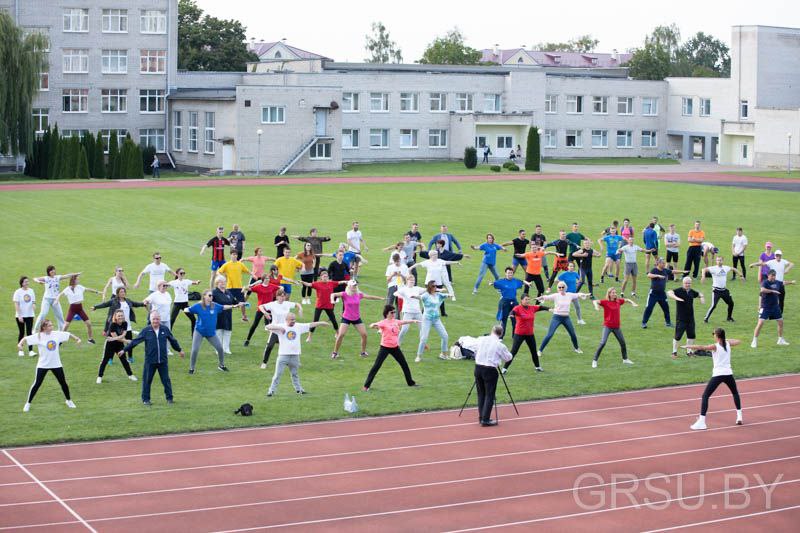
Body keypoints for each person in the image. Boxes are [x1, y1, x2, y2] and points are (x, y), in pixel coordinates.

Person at [120, 311, 184, 405]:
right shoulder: (146, 331)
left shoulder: (165, 329)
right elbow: (135, 342)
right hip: (150, 361)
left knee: (166, 380)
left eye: (157, 319)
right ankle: (146, 400)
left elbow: (173, 340)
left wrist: (179, 350)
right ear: (150, 320)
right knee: (147, 380)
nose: (155, 321)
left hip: (163, 361)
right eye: (153, 319)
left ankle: (169, 399)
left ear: (160, 320)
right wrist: (124, 350)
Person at [18, 319, 80, 412]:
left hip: (56, 364)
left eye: (52, 325)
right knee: (37, 384)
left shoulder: (56, 334)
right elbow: (26, 339)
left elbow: (68, 334)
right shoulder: (39, 336)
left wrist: (77, 339)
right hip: (43, 365)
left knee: (63, 383)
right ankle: (28, 403)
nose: (52, 327)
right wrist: (20, 344)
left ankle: (69, 401)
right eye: (50, 326)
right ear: (44, 327)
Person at [687, 328, 743, 430]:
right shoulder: (728, 343)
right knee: (735, 393)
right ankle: (739, 416)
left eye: (714, 334)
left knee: (705, 396)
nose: (713, 335)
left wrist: (688, 346)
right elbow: (738, 341)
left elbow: (702, 347)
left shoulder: (715, 346)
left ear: (717, 336)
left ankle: (702, 422)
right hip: (729, 374)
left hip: (718, 374)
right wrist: (726, 339)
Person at [265, 313, 329, 396]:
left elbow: (311, 324)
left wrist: (321, 323)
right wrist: (279, 328)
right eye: (292, 319)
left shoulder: (298, 326)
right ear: (287, 320)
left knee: (295, 374)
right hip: (283, 355)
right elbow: (267, 327)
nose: (294, 321)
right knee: (277, 374)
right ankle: (271, 391)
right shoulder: (281, 326)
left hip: (295, 355)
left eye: (294, 319)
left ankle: (299, 390)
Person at [184, 289, 242, 373]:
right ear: (204, 296)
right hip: (199, 331)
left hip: (210, 333)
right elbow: (188, 309)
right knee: (195, 350)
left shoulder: (214, 305)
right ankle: (191, 368)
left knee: (220, 348)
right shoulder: (198, 306)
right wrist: (186, 309)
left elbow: (223, 307)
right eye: (209, 295)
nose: (211, 297)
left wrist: (234, 306)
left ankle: (221, 365)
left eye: (212, 295)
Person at [363, 305, 418, 391]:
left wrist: (413, 321)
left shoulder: (396, 321)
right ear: (387, 313)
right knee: (376, 366)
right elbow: (373, 325)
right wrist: (373, 325)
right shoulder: (383, 322)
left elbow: (404, 321)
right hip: (385, 348)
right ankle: (366, 386)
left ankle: (410, 383)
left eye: (394, 312)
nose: (393, 314)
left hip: (395, 348)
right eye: (392, 312)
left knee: (404, 364)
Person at [92, 287, 146, 363]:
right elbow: (105, 304)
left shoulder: (128, 301)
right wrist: (95, 307)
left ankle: (130, 357)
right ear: (118, 293)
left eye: (124, 292)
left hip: (127, 326)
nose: (123, 293)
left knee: (129, 342)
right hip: (117, 326)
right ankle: (110, 358)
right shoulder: (114, 301)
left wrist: (143, 304)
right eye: (121, 292)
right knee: (114, 343)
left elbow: (136, 304)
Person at [331, 280, 383, 359]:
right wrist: (332, 300)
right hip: (346, 318)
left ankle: (363, 352)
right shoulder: (344, 294)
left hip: (356, 318)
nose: (355, 287)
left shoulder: (359, 295)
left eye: (355, 285)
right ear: (349, 286)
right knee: (341, 335)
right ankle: (335, 353)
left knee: (364, 335)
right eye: (353, 285)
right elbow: (333, 294)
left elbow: (370, 297)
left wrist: (381, 298)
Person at [473, 325, 513, 427]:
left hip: (478, 368)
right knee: (489, 395)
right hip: (490, 370)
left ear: (492, 331)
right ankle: (485, 419)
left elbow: (474, 349)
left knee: (481, 394)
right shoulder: (500, 345)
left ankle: (481, 417)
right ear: (501, 334)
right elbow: (508, 358)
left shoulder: (481, 339)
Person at [537, 281, 591, 356]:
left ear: (565, 288)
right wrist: (540, 297)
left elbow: (578, 295)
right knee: (550, 334)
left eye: (563, 287)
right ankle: (540, 350)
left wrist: (585, 294)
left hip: (566, 318)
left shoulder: (569, 295)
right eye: (559, 287)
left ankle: (576, 348)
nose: (561, 288)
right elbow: (546, 297)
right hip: (556, 317)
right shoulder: (556, 295)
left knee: (572, 334)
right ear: (557, 288)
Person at [591, 288, 637, 368]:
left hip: (616, 327)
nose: (615, 294)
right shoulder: (605, 302)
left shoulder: (618, 301)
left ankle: (625, 359)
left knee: (622, 343)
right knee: (603, 342)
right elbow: (594, 301)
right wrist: (596, 306)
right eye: (613, 293)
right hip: (607, 326)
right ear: (609, 294)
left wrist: (633, 303)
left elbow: (627, 300)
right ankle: (594, 360)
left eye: (615, 292)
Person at [503, 294, 549, 372]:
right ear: (521, 300)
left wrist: (549, 309)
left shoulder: (532, 308)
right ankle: (504, 368)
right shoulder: (518, 308)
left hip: (530, 334)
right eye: (526, 299)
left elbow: (540, 307)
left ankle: (537, 367)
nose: (527, 301)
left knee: (533, 351)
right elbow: (513, 312)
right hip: (519, 334)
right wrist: (511, 315)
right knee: (514, 351)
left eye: (528, 299)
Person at [751, 269, 794, 347]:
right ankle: (754, 340)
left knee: (781, 322)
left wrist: (791, 282)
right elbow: (762, 290)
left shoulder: (777, 282)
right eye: (772, 275)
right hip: (765, 307)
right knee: (760, 323)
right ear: (768, 275)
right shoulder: (765, 282)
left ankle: (780, 340)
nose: (773, 277)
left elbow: (783, 283)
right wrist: (773, 291)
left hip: (775, 307)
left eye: (774, 275)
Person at [300, 269, 346, 340]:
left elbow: (340, 282)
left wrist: (346, 281)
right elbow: (309, 284)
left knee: (333, 320)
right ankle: (309, 336)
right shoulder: (317, 284)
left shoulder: (331, 283)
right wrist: (303, 282)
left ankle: (337, 333)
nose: (326, 278)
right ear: (321, 277)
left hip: (329, 306)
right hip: (319, 305)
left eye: (327, 276)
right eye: (324, 277)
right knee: (315, 320)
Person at [260, 288, 301, 368]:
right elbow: (261, 306)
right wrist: (265, 313)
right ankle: (264, 362)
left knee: (291, 346)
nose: (283, 298)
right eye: (281, 296)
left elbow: (297, 304)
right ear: (277, 297)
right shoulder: (272, 304)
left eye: (284, 296)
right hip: (276, 329)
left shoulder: (287, 304)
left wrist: (300, 308)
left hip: (286, 329)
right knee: (270, 346)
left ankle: (294, 362)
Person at [243, 266, 283, 346]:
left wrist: (281, 289)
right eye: (266, 279)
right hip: (261, 309)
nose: (268, 280)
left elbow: (280, 287)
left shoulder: (272, 286)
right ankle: (247, 340)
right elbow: (249, 289)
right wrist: (245, 288)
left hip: (270, 309)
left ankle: (276, 340)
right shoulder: (258, 287)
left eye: (268, 278)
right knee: (255, 324)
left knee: (273, 325)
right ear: (263, 280)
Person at [412, 281, 451, 362]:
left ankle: (444, 354)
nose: (435, 287)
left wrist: (449, 295)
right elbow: (420, 297)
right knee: (424, 338)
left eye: (436, 286)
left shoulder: (438, 295)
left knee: (445, 336)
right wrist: (414, 297)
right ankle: (419, 356)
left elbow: (445, 295)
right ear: (430, 287)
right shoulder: (426, 295)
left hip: (436, 319)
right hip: (427, 319)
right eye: (433, 286)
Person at [641, 258, 685, 328]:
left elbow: (673, 271)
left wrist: (683, 271)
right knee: (649, 308)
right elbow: (648, 275)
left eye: (664, 263)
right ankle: (644, 323)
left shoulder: (665, 270)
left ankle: (668, 323)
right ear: (658, 263)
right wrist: (658, 276)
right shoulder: (654, 270)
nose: (664, 264)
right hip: (653, 294)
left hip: (662, 294)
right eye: (663, 263)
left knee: (666, 308)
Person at [667, 277, 705, 358]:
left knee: (691, 336)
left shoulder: (691, 292)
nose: (688, 284)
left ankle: (689, 352)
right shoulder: (679, 291)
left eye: (689, 283)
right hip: (681, 318)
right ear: (683, 283)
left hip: (690, 318)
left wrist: (702, 297)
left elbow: (699, 294)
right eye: (686, 283)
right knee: (678, 336)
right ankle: (674, 352)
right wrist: (677, 298)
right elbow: (669, 292)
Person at [33, 266, 79, 331]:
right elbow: (35, 278)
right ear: (48, 272)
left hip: (55, 300)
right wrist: (38, 281)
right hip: (47, 299)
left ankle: (61, 330)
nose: (53, 271)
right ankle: (35, 329)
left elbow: (66, 276)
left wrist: (75, 274)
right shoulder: (46, 278)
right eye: (51, 270)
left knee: (60, 315)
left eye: (54, 270)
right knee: (43, 313)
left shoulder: (57, 277)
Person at [96, 309, 137, 383]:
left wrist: (115, 338)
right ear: (115, 317)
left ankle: (130, 375)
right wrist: (126, 341)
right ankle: (99, 377)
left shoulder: (125, 323)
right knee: (105, 360)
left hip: (119, 344)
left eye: (121, 315)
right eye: (119, 316)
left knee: (124, 359)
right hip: (110, 344)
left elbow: (123, 334)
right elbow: (118, 338)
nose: (120, 317)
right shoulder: (113, 325)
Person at [60, 274, 100, 344]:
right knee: (66, 325)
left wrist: (97, 292)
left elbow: (88, 289)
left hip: (80, 308)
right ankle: (60, 339)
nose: (78, 280)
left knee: (89, 324)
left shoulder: (79, 287)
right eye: (77, 279)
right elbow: (61, 294)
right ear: (74, 280)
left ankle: (90, 339)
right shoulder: (67, 289)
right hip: (72, 309)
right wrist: (56, 300)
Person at [702, 257, 744, 323]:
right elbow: (704, 269)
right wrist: (703, 276)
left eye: (720, 260)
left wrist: (741, 276)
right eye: (718, 260)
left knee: (731, 304)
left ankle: (729, 318)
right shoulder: (713, 268)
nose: (719, 261)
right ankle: (706, 318)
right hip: (716, 291)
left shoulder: (725, 268)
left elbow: (734, 269)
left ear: (723, 261)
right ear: (716, 261)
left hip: (724, 290)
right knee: (713, 305)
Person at [492, 267, 531, 337]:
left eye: (511, 273)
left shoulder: (515, 281)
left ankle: (515, 335)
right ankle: (501, 336)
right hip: (505, 302)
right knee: (504, 320)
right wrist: (491, 283)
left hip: (514, 302)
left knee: (515, 320)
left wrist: (528, 283)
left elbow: (522, 282)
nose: (510, 274)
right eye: (508, 273)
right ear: (505, 273)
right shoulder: (501, 282)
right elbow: (494, 283)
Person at [217, 250, 251, 320]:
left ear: (237, 255)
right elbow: (218, 272)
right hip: (229, 287)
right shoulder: (227, 264)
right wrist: (223, 277)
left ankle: (244, 316)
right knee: (227, 302)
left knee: (242, 302)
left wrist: (253, 274)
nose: (234, 256)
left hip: (239, 287)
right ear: (230, 255)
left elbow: (247, 271)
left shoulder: (240, 264)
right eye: (233, 254)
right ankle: (224, 316)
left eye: (235, 254)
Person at [168, 268, 201, 335]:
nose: (182, 274)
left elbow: (193, 282)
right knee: (172, 320)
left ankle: (193, 335)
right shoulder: (174, 282)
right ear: (177, 274)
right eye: (181, 273)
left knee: (193, 319)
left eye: (183, 273)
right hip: (177, 303)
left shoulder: (186, 281)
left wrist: (197, 282)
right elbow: (165, 285)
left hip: (185, 304)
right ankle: (168, 335)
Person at [143, 281, 174, 352]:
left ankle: (166, 349)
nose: (165, 287)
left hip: (167, 318)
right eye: (164, 285)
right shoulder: (154, 295)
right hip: (157, 320)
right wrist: (150, 312)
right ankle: (155, 348)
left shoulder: (168, 294)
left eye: (166, 286)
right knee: (156, 335)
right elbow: (145, 302)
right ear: (159, 286)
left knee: (168, 334)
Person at [396, 275, 426, 346]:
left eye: (413, 280)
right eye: (411, 280)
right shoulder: (404, 289)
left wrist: (439, 290)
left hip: (418, 312)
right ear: (407, 281)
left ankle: (423, 344)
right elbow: (396, 293)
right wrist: (401, 296)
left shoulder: (417, 288)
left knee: (422, 328)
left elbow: (428, 289)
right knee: (404, 329)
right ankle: (397, 344)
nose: (412, 282)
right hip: (408, 312)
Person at [212, 276, 238, 355]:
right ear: (217, 283)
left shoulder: (228, 292)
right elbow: (210, 303)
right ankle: (218, 349)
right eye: (221, 282)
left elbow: (234, 301)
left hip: (228, 315)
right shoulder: (214, 292)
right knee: (219, 332)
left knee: (227, 331)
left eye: (224, 281)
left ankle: (226, 348)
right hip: (218, 315)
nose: (223, 283)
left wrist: (239, 303)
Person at [13, 276, 37, 356]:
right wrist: (19, 315)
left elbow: (33, 302)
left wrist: (34, 306)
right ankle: (20, 350)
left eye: (28, 281)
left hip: (30, 315)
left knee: (29, 332)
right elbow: (16, 304)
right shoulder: (18, 292)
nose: (27, 283)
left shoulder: (31, 291)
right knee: (22, 332)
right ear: (22, 283)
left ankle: (31, 351)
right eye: (25, 282)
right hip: (20, 316)